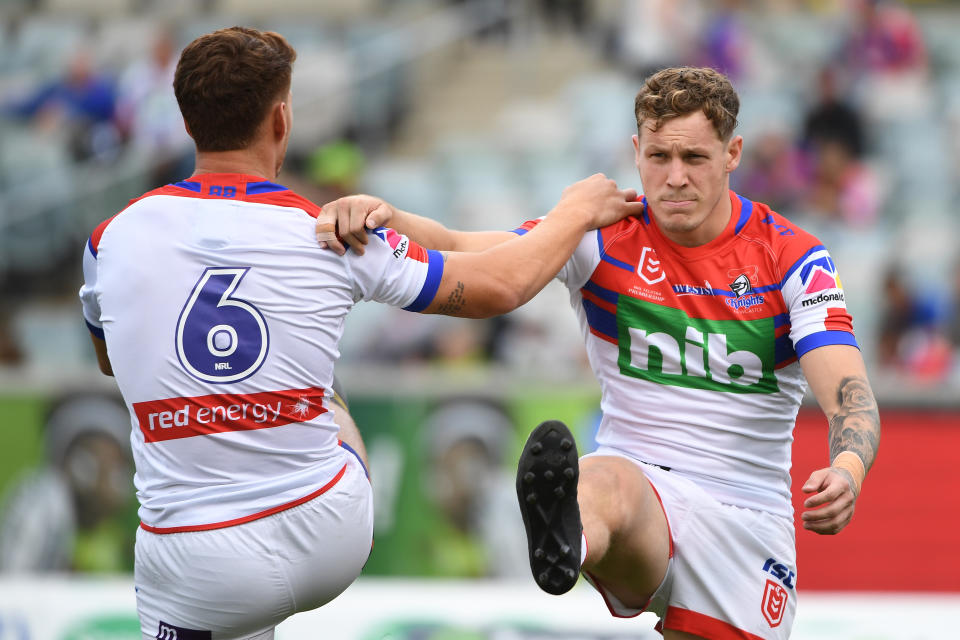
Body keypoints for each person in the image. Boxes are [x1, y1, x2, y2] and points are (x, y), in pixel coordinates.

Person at [78, 26, 643, 640]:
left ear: (187, 123)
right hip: (322, 533)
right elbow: (501, 288)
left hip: (189, 563)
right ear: (282, 120)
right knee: (324, 388)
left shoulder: (108, 240)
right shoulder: (329, 232)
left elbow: (111, 360)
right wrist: (575, 213)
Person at [317, 66, 881, 639]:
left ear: (733, 153)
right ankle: (568, 540)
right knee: (602, 479)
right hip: (638, 491)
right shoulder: (598, 234)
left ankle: (577, 533)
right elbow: (466, 248)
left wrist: (848, 469)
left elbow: (848, 397)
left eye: (695, 158)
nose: (675, 177)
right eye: (659, 156)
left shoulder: (793, 258)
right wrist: (383, 215)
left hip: (744, 514)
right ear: (635, 151)